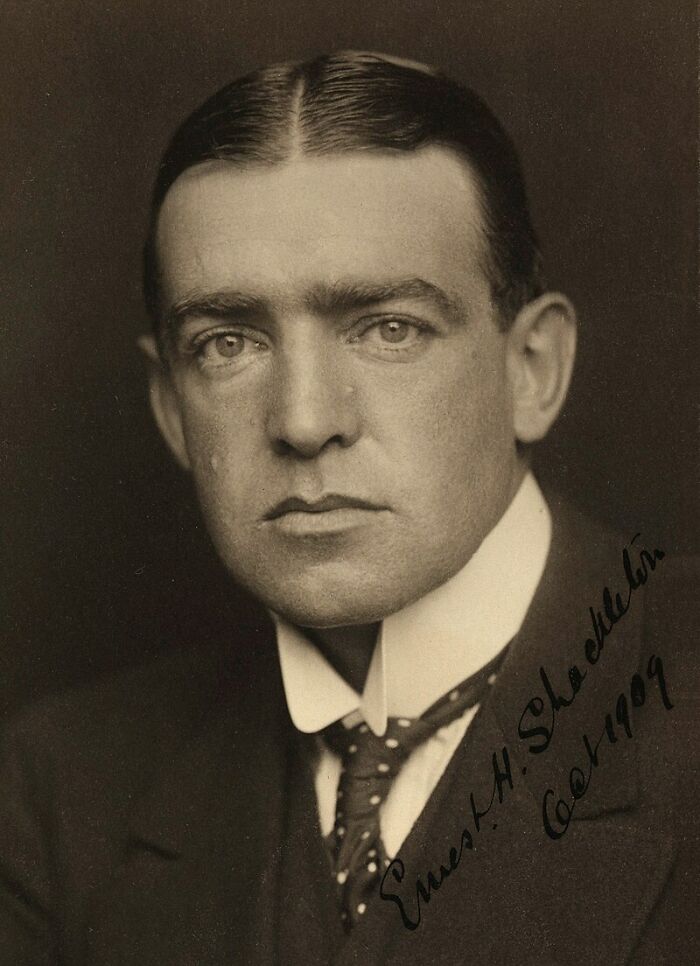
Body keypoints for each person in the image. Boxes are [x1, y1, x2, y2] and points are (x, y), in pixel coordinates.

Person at [0, 50, 696, 966]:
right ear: (171, 410)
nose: (304, 421)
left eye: (388, 328)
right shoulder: (62, 787)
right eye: (229, 343)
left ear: (532, 371)